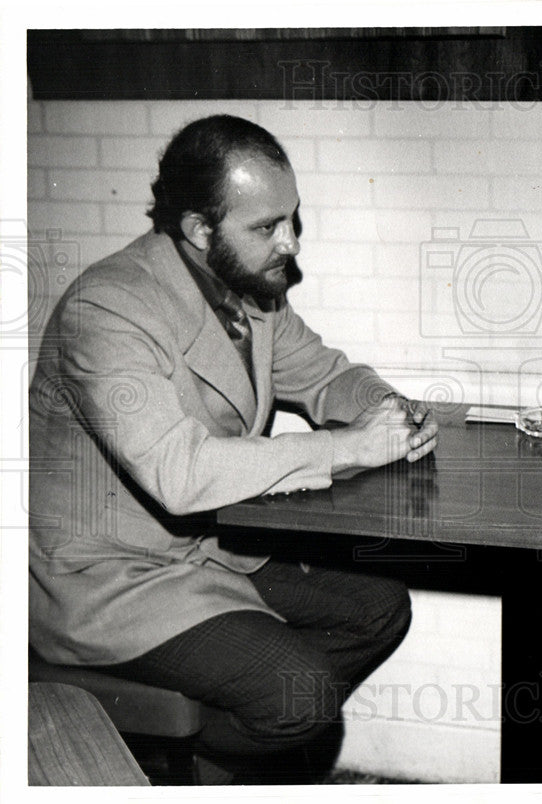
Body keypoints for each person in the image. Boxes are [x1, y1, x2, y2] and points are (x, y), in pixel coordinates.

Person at [28, 114, 438, 782]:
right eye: (268, 226)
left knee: (377, 605)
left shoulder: (251, 293)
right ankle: (179, 770)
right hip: (107, 581)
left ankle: (214, 746)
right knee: (299, 695)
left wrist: (386, 408)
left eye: (293, 218)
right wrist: (349, 450)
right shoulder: (106, 311)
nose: (291, 242)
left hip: (207, 549)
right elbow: (180, 473)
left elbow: (328, 375)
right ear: (197, 230)